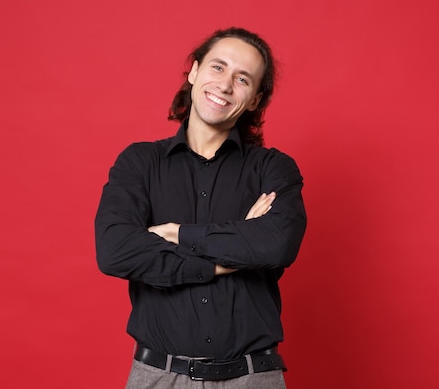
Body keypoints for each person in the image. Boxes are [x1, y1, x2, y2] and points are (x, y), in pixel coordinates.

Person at [95, 27, 307, 388]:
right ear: (194, 72)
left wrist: (177, 233)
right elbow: (116, 252)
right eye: (218, 67)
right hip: (160, 377)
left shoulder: (273, 169)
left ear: (255, 99)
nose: (225, 85)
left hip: (254, 378)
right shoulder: (139, 163)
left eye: (243, 79)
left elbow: (276, 245)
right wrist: (227, 259)